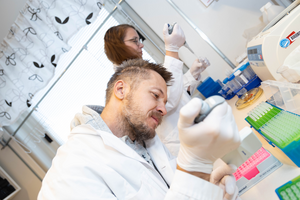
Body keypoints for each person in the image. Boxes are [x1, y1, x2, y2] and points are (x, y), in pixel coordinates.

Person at [38, 59, 241, 200]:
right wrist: (192, 171)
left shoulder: (143, 139)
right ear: (121, 90)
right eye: (155, 95)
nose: (163, 108)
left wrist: (206, 189)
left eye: (165, 101)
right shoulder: (71, 168)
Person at [104, 24, 210, 156]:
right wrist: (172, 50)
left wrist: (191, 76)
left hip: (194, 131)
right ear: (118, 46)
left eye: (139, 40)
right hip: (182, 142)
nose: (141, 45)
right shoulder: (128, 80)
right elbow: (167, 101)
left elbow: (176, 95)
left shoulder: (143, 69)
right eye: (134, 41)